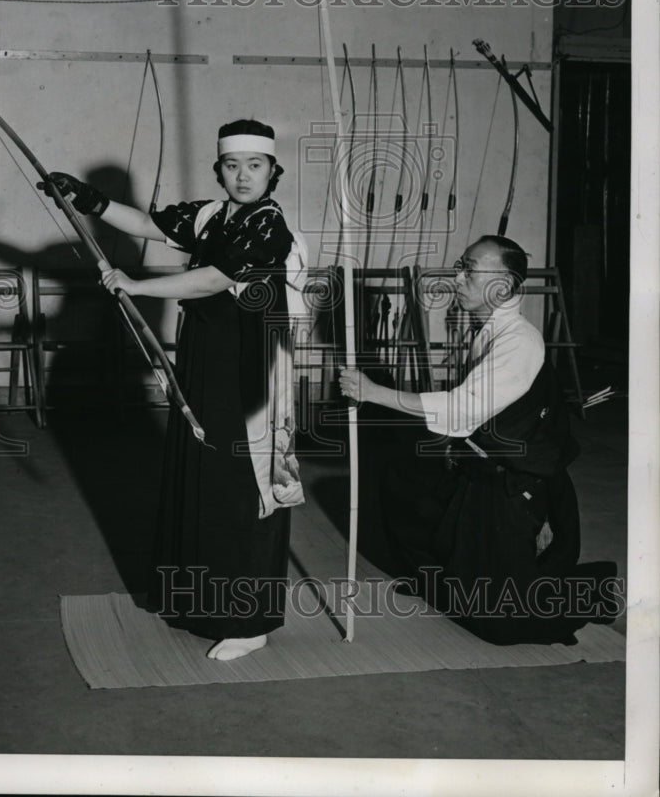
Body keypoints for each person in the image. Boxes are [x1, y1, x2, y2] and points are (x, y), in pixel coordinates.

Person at [40, 119, 305, 660]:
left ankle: (251, 620)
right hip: (207, 362)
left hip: (252, 374)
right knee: (203, 475)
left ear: (273, 171)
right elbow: (148, 223)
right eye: (232, 165)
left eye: (255, 166)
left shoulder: (269, 224)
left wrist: (136, 284)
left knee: (242, 484)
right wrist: (87, 199)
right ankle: (204, 603)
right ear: (220, 170)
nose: (243, 176)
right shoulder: (211, 214)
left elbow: (216, 278)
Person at [340, 235, 619, 645]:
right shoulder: (487, 329)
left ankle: (591, 589)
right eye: (460, 265)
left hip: (520, 483)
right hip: (480, 468)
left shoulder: (519, 341)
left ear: (503, 286)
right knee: (401, 478)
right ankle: (442, 580)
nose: (457, 277)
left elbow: (464, 409)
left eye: (469, 268)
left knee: (502, 623)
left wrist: (374, 392)